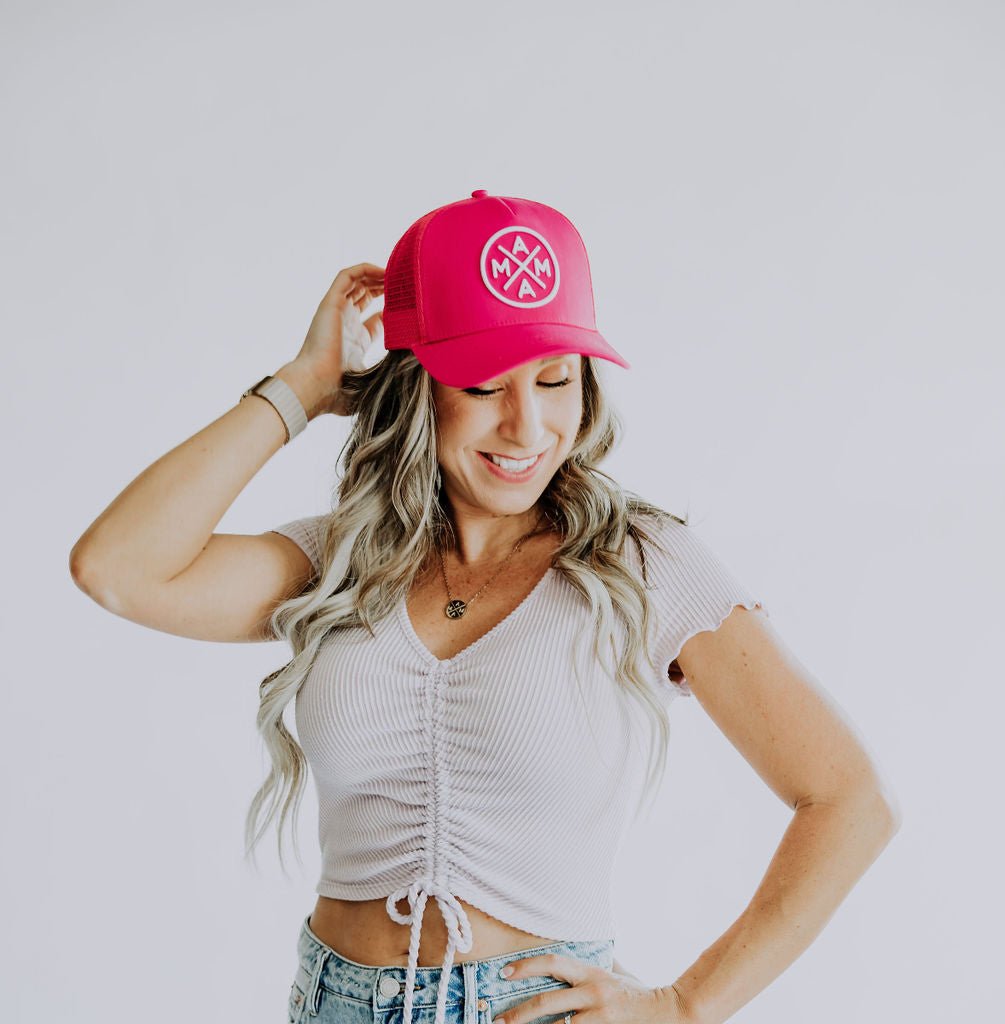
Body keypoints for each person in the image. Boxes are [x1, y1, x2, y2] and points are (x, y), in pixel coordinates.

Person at [70, 190, 901, 1024]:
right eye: (482, 385)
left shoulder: (641, 564)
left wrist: (682, 1007)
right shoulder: (339, 563)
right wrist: (303, 387)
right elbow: (118, 570)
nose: (527, 425)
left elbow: (848, 800)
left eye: (554, 380)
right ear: (415, 390)